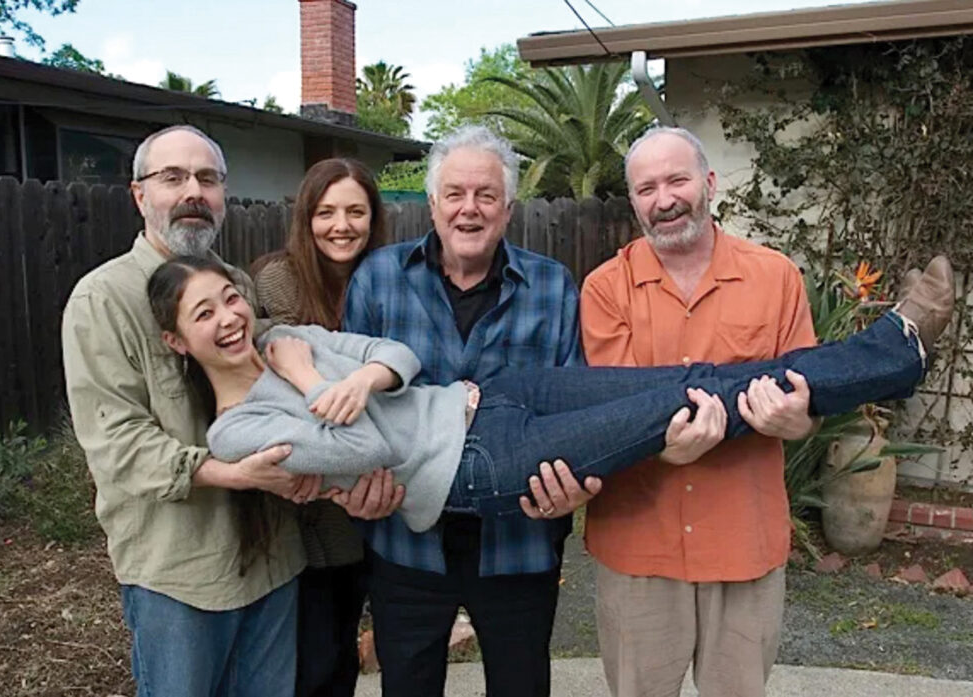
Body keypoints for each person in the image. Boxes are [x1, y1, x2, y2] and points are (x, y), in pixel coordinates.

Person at [149, 254, 949, 536]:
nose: (230, 319)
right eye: (204, 314)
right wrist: (313, 375)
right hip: (479, 460)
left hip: (492, 393)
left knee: (690, 372)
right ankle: (893, 350)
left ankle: (890, 349)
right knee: (686, 397)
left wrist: (358, 371)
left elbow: (400, 354)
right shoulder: (237, 430)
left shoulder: (294, 333)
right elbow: (371, 447)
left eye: (231, 298)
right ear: (177, 341)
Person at [579, 126, 953, 697]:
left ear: (707, 183)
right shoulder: (605, 288)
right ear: (633, 202)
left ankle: (897, 346)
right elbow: (634, 415)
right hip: (640, 544)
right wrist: (663, 436)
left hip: (741, 539)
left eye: (677, 180)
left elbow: (805, 402)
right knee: (663, 404)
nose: (664, 199)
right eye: (646, 188)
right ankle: (898, 347)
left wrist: (797, 422)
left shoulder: (773, 275)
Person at [61, 124, 322, 697]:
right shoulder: (103, 301)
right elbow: (118, 442)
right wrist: (232, 474)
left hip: (272, 560)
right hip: (181, 574)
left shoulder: (234, 286)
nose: (193, 192)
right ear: (139, 195)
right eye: (172, 177)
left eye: (208, 179)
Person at [341, 125, 598, 697]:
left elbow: (572, 409)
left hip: (520, 538)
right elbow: (348, 408)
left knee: (521, 686)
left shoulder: (552, 288)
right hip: (405, 537)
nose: (469, 209)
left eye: (485, 195)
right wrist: (355, 484)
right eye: (454, 194)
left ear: (508, 208)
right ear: (432, 204)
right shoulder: (379, 280)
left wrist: (574, 483)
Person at [252, 158, 399, 697]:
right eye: (326, 212)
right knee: (318, 657)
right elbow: (291, 376)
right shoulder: (279, 280)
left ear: (373, 218)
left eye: (356, 211)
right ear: (305, 218)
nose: (342, 225)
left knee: (379, 651)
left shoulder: (393, 276)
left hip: (385, 489)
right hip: (315, 499)